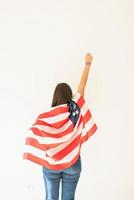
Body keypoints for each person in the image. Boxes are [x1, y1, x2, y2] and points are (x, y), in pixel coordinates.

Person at [42, 52, 94, 200]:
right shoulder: (75, 111)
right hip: (73, 163)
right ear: (69, 95)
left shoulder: (49, 116)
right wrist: (87, 64)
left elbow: (39, 135)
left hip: (52, 164)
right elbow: (82, 86)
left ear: (55, 96)